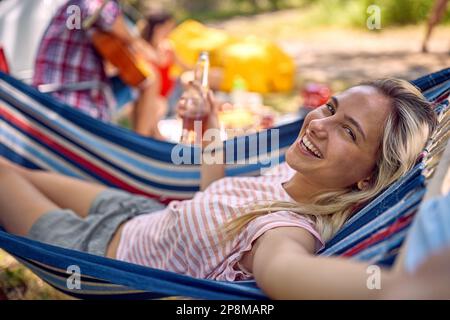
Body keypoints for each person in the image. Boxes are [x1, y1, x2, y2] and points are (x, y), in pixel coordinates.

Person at [0, 78, 437, 299]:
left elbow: (283, 275)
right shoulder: (291, 178)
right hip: (137, 211)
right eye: (329, 107)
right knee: (20, 169)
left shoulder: (285, 229)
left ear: (368, 177)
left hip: (92, 252)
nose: (319, 125)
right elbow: (215, 196)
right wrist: (209, 126)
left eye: (349, 132)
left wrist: (401, 287)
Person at [32, 0, 165, 138]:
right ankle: (141, 145)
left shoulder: (71, 9)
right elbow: (108, 15)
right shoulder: (87, 4)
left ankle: (149, 139)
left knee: (145, 79)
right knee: (150, 79)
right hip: (66, 95)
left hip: (60, 89)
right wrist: (141, 47)